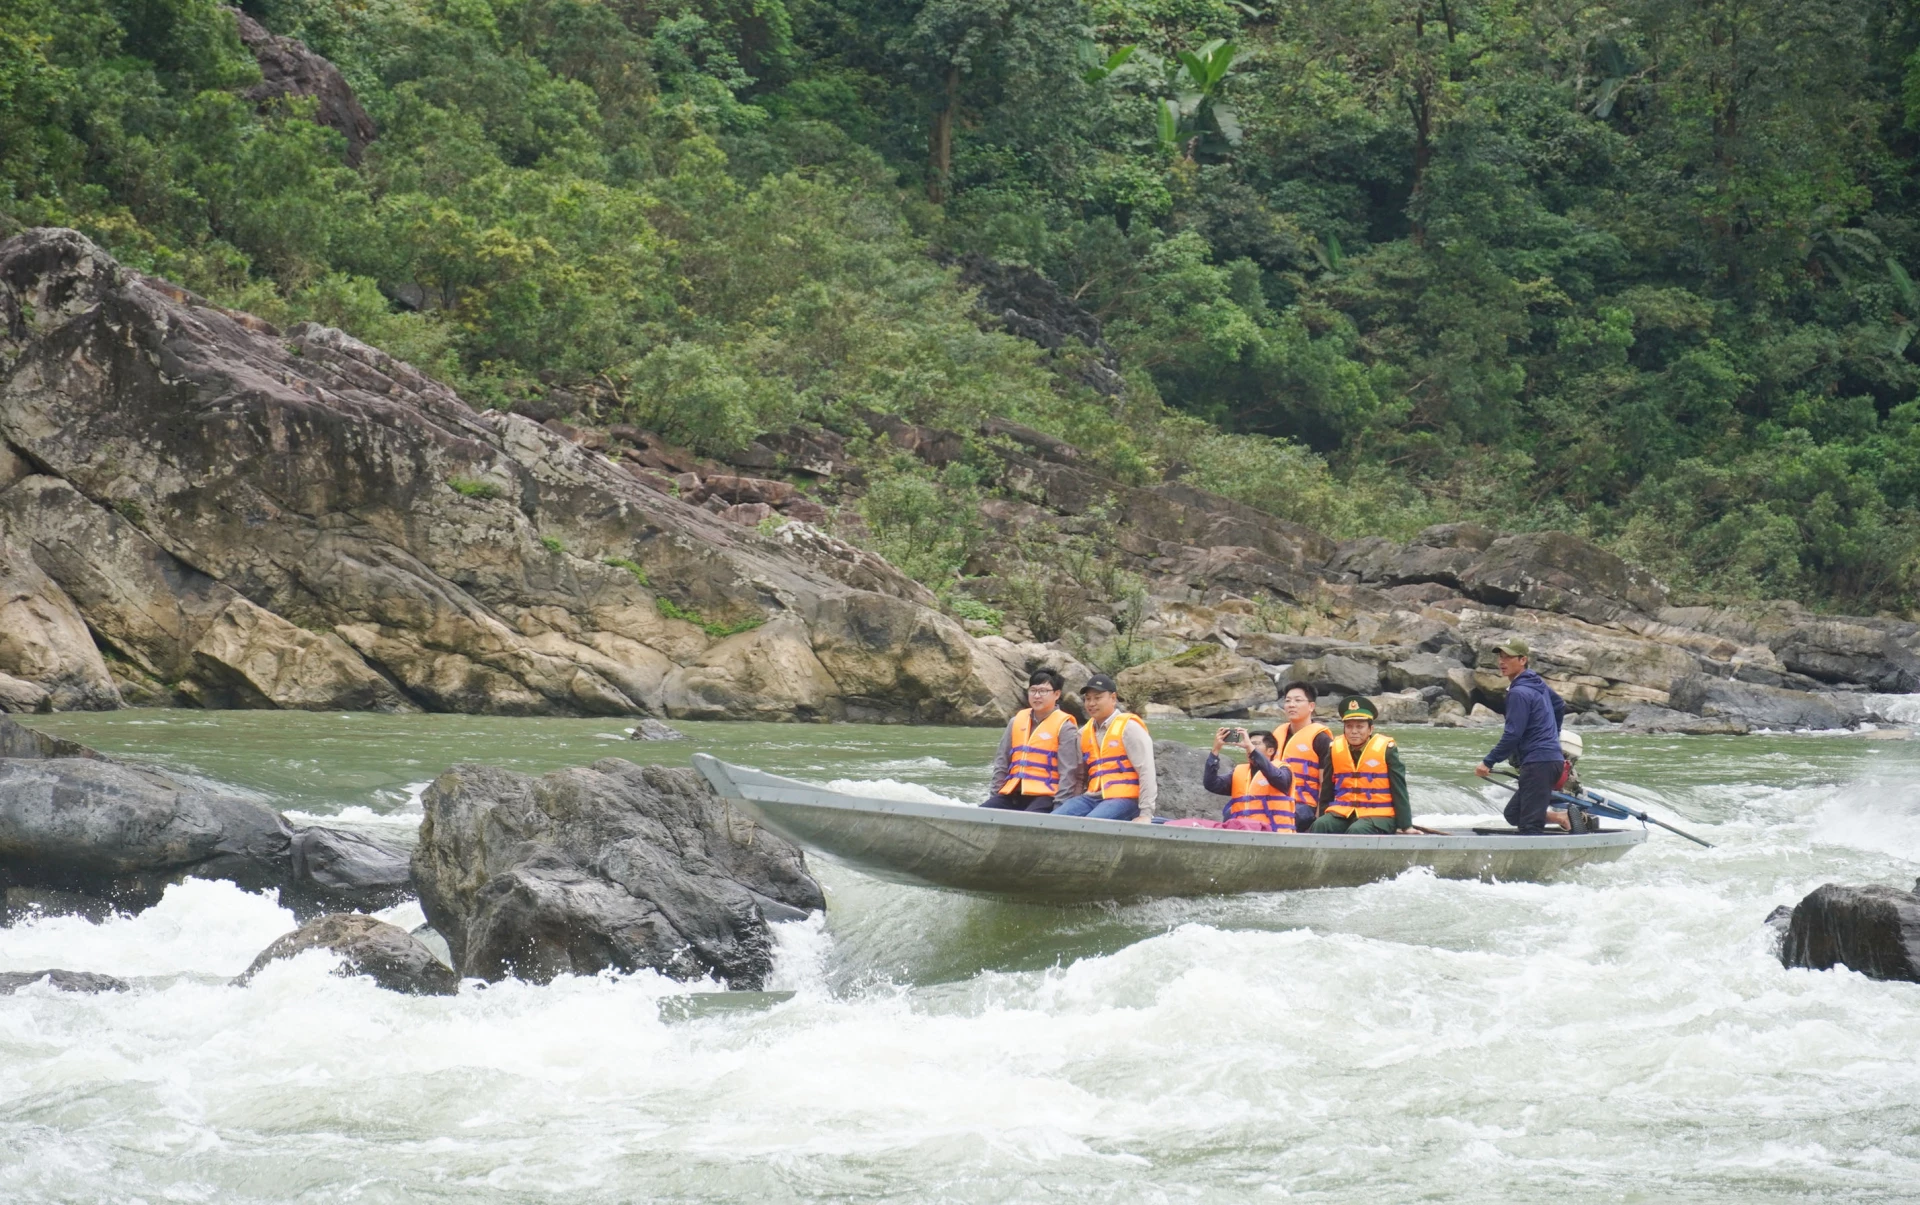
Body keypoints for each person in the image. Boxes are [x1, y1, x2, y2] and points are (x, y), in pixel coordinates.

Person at [1472, 638, 1567, 835]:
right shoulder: (1536, 682)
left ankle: (1534, 864)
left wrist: (1488, 762)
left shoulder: (1519, 693)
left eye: (1508, 657)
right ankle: (1560, 817)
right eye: (1500, 656)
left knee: (1529, 827)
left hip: (1539, 762)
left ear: (1523, 660)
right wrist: (1552, 737)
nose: (1501, 662)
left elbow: (1513, 734)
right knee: (1514, 814)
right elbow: (1559, 705)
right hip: (1549, 759)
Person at [1050, 674, 1156, 822]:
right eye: (1088, 699)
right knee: (1052, 821)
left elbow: (1146, 770)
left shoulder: (1130, 728)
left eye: (1097, 698)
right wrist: (1071, 802)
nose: (1091, 703)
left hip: (1124, 798)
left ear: (1113, 698)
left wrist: (1145, 814)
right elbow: (1080, 777)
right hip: (1091, 798)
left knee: (1090, 824)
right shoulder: (1083, 733)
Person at [982, 669, 1084, 811]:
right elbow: (1001, 762)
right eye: (1033, 690)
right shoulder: (1015, 722)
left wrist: (1059, 805)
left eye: (1043, 691)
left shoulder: (1065, 727)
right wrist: (994, 795)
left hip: (1046, 796)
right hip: (1013, 793)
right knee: (981, 813)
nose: (1037, 696)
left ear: (1057, 694)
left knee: (1028, 820)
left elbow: (1069, 771)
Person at [1309, 695, 1411, 834]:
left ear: (1370, 729)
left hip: (1379, 815)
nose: (1354, 731)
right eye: (1349, 726)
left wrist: (1405, 825)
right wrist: (1323, 815)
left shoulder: (1387, 749)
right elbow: (1327, 788)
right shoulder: (1334, 748)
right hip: (1344, 812)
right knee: (1321, 825)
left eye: (1360, 726)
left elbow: (1399, 788)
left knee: (1357, 830)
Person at [1163, 727, 1295, 830]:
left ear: (1270, 751)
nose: (1249, 747)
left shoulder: (1283, 769)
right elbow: (1211, 784)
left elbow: (1278, 779)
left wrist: (1251, 748)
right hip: (1243, 831)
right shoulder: (1239, 772)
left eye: (1255, 744)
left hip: (1272, 832)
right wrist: (1215, 750)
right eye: (1248, 743)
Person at [1273, 682, 1333, 834]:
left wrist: (1319, 816)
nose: (1291, 705)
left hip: (1305, 805)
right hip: (1277, 800)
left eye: (1298, 700)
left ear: (1311, 706)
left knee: (1285, 818)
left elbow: (1324, 783)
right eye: (1287, 701)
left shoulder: (1321, 739)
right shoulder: (1277, 735)